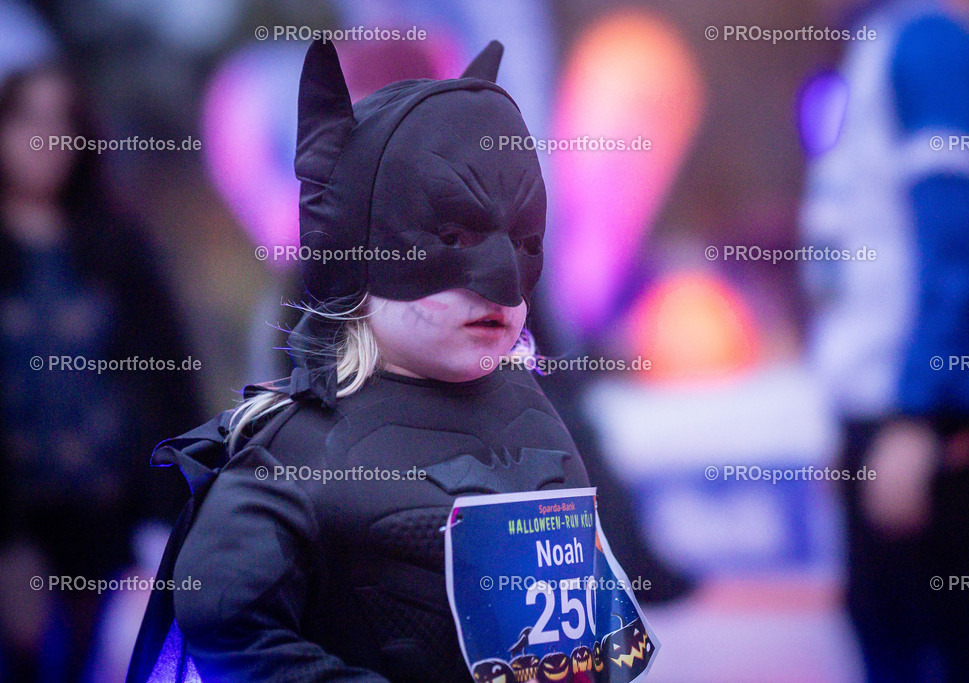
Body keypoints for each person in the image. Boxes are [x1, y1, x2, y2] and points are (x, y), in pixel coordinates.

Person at [128, 41, 593, 682]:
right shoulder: (297, 451)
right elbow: (226, 616)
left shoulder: (533, 415)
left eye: (522, 240)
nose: (502, 282)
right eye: (451, 237)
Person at [801, 1, 969, 680]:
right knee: (886, 624)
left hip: (915, 405)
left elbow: (958, 245)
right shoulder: (878, 44)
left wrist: (918, 415)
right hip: (883, 402)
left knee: (930, 638)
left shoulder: (929, 45)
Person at [0, 64, 200, 681]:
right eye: (28, 119)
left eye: (62, 121)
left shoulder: (119, 246)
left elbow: (169, 383)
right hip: (16, 519)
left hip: (110, 522)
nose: (45, 140)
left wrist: (174, 513)